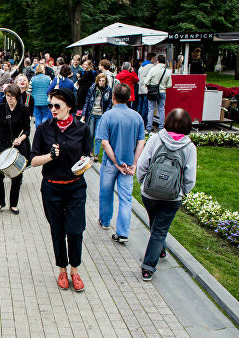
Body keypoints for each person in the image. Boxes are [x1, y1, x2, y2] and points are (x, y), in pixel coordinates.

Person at [30, 87, 91, 291]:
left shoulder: (82, 129)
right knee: (57, 231)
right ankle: (62, 270)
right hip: (51, 189)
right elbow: (33, 160)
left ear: (70, 107)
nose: (53, 109)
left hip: (75, 187)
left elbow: (88, 156)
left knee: (75, 230)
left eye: (57, 105)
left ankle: (75, 269)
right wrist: (50, 157)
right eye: (50, 105)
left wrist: (85, 162)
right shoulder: (43, 129)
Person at [137, 108, 197, 281]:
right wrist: (183, 192)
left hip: (149, 194)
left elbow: (142, 163)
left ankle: (157, 251)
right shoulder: (189, 147)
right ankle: (148, 267)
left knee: (155, 225)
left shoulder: (156, 139)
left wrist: (143, 183)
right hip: (172, 197)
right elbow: (190, 176)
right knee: (160, 228)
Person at [96, 84, 146, 242]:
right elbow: (141, 142)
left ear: (113, 97)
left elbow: (104, 143)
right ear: (130, 97)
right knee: (126, 198)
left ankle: (105, 221)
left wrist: (116, 162)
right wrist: (135, 163)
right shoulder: (137, 117)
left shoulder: (108, 116)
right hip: (129, 164)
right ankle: (123, 232)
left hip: (111, 163)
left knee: (106, 193)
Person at [0, 84, 30, 215]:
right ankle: (0, 202)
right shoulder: (1, 108)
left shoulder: (23, 109)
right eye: (7, 96)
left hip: (18, 146)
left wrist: (20, 139)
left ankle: (13, 204)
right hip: (3, 144)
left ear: (17, 96)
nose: (9, 98)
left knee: (16, 176)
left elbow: (27, 129)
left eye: (11, 96)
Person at [82, 74, 113, 161]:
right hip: (92, 113)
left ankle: (96, 154)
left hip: (101, 114)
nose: (101, 82)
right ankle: (91, 150)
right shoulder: (92, 88)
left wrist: (105, 114)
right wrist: (84, 114)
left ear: (106, 81)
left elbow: (109, 102)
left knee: (98, 135)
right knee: (91, 134)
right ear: (97, 80)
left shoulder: (108, 89)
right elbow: (87, 101)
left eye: (103, 81)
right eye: (100, 80)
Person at [144, 55, 172, 132]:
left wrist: (151, 86)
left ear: (157, 61)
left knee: (151, 109)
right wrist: (163, 86)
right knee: (162, 110)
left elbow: (146, 81)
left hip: (152, 92)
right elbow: (170, 85)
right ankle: (161, 127)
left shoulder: (153, 69)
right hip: (162, 92)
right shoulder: (167, 71)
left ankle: (149, 127)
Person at [137, 53, 156, 127]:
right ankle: (144, 122)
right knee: (146, 107)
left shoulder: (141, 66)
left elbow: (138, 78)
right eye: (154, 59)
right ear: (152, 59)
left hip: (140, 89)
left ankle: (138, 121)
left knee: (140, 106)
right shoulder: (151, 66)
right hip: (147, 89)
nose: (154, 60)